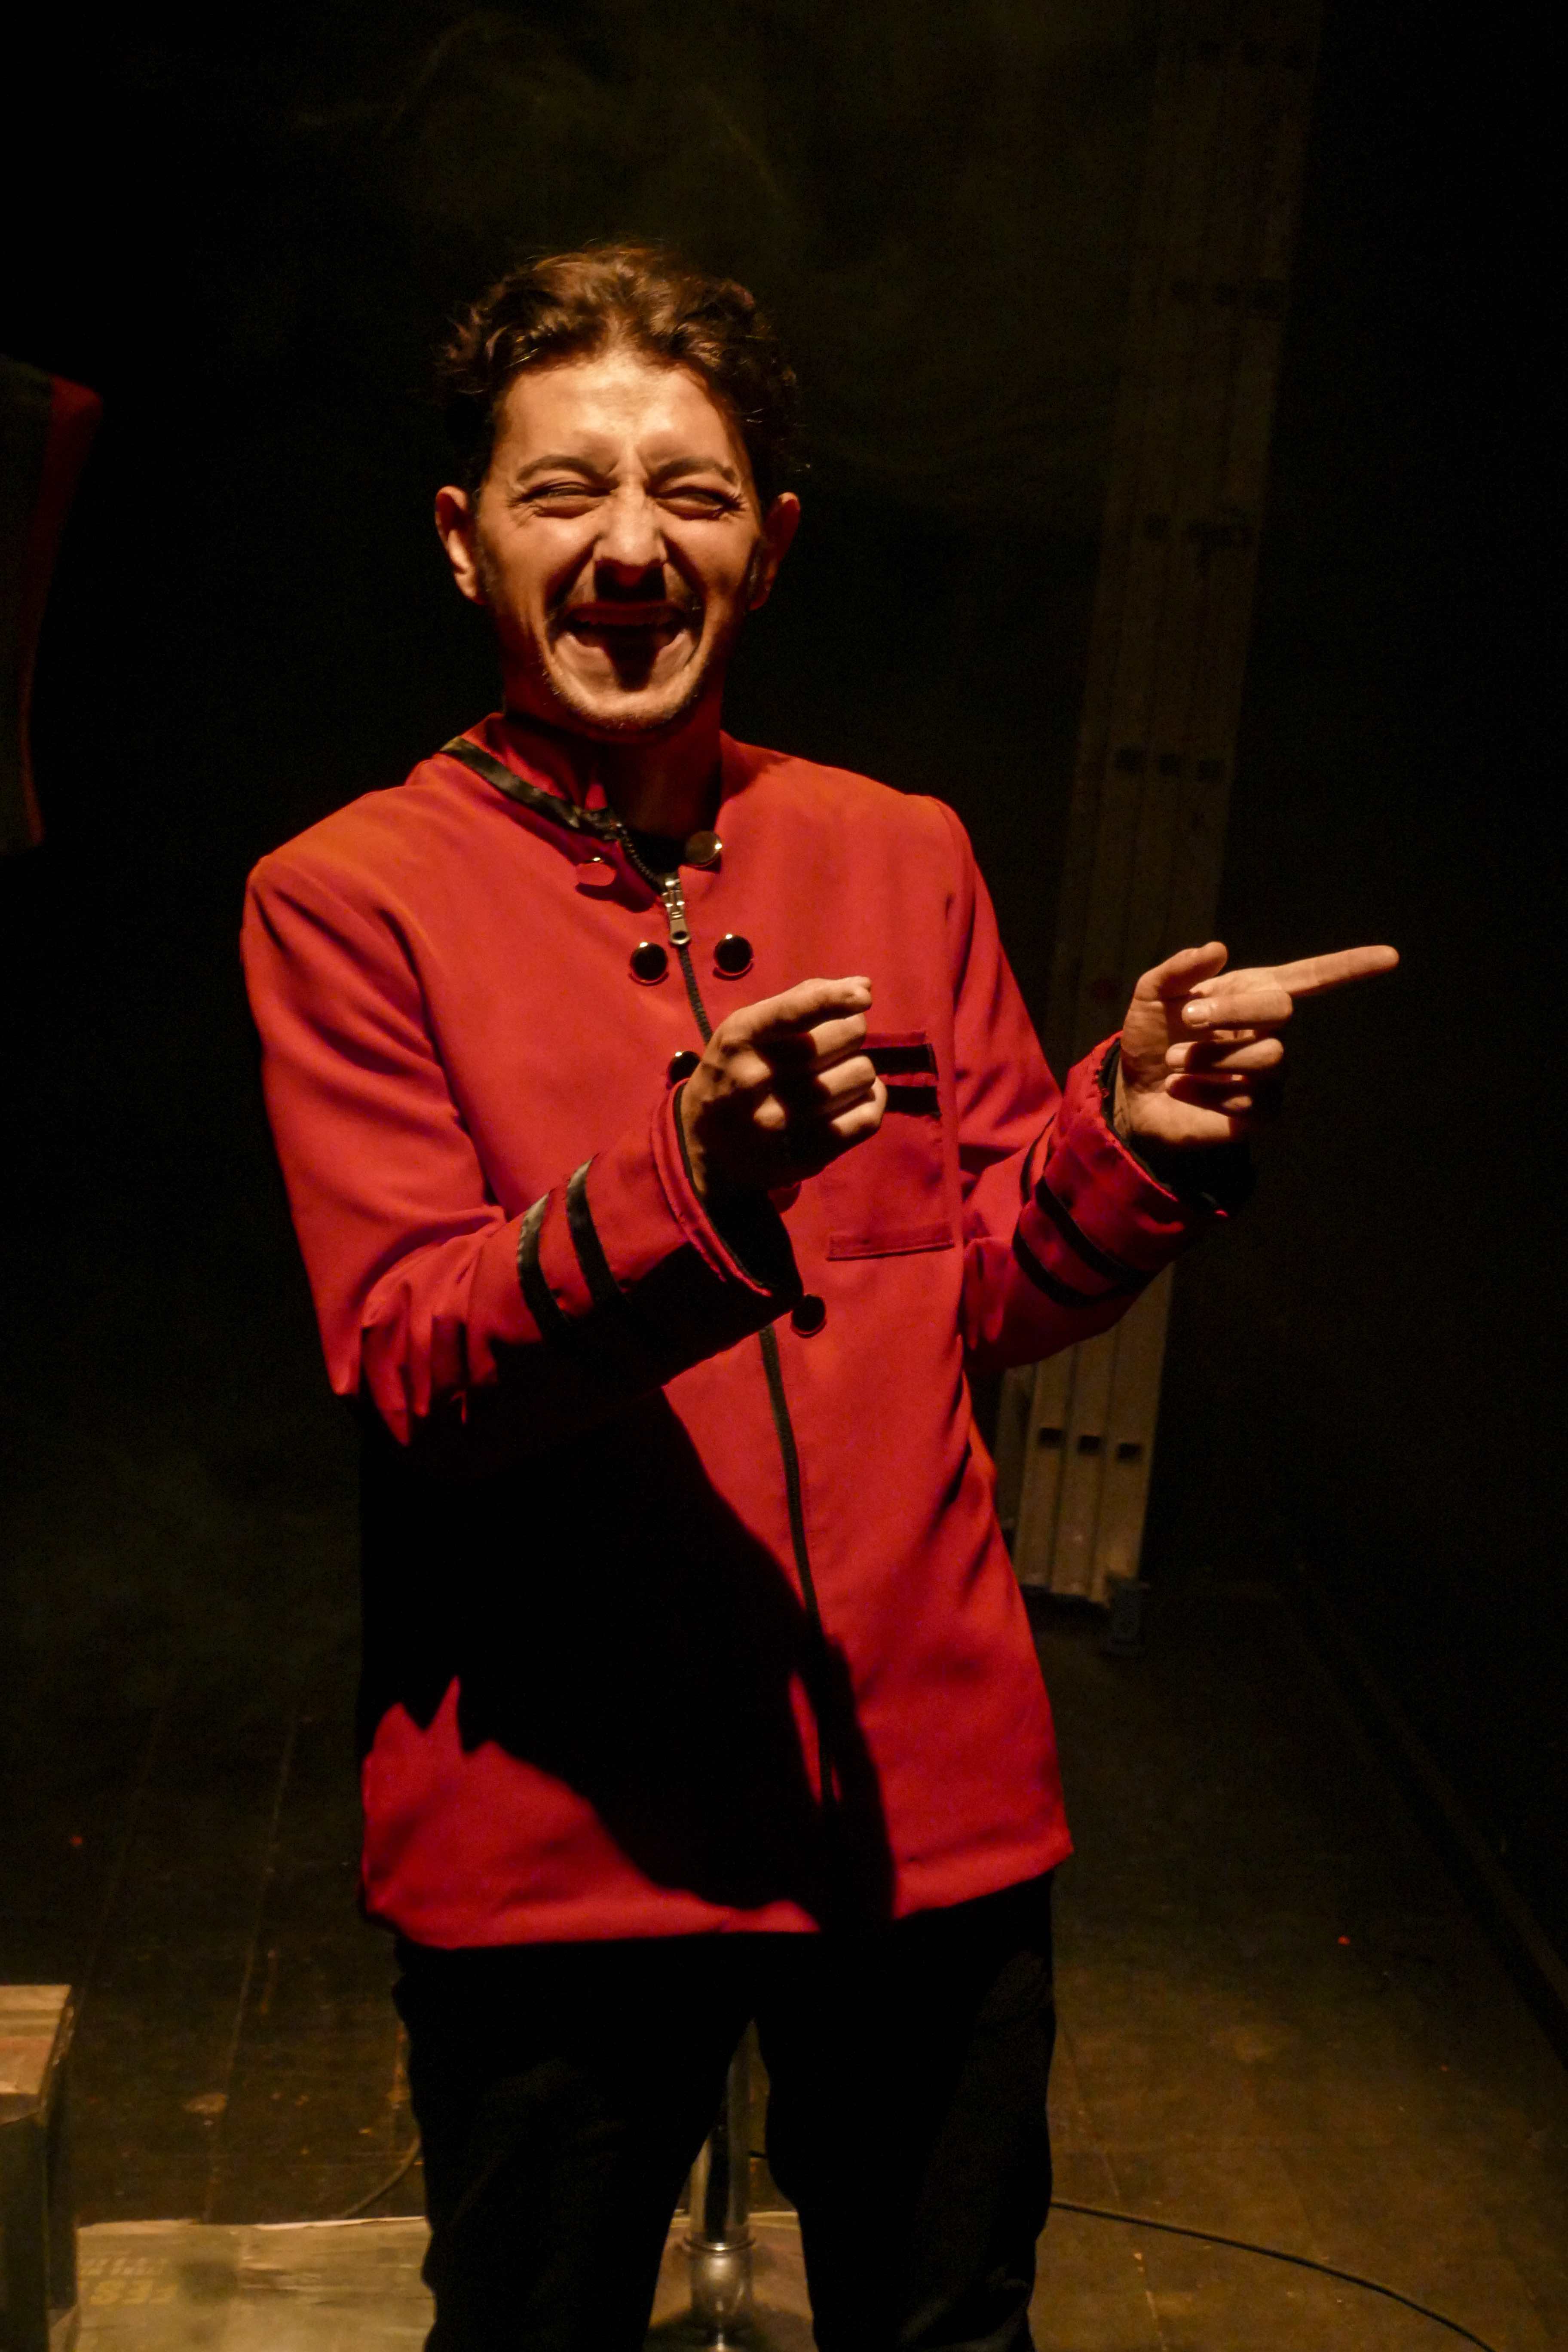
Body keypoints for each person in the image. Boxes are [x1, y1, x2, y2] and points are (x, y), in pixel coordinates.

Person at [241, 244, 1395, 2352]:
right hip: (563, 1842)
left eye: (687, 494)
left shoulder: (899, 848)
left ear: (766, 548)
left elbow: (991, 1289)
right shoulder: (347, 898)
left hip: (924, 1816)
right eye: (564, 490)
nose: (627, 545)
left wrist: (1128, 1132)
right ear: (465, 541)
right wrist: (690, 1181)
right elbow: (415, 1365)